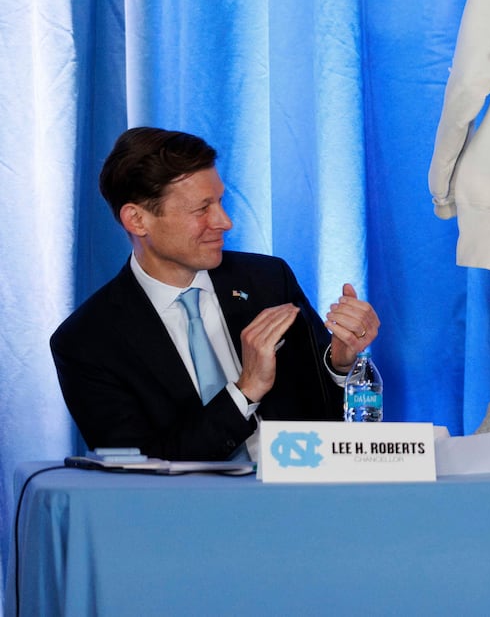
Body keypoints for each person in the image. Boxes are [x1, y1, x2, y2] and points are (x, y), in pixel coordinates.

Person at [51, 127, 381, 460]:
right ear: (137, 220)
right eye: (201, 209)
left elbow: (326, 420)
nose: (224, 221)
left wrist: (340, 363)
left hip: (304, 501)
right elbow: (143, 469)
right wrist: (245, 390)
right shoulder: (86, 341)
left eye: (220, 202)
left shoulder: (267, 280)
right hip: (187, 511)